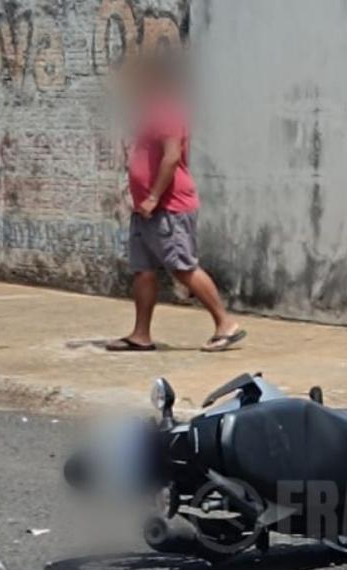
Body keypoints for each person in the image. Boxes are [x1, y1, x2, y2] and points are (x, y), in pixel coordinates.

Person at [109, 51, 246, 353]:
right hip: (146, 207)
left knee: (183, 267)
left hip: (168, 207)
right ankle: (140, 334)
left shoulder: (170, 112)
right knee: (143, 270)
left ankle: (226, 325)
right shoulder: (152, 112)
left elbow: (171, 158)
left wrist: (154, 196)